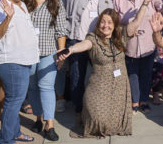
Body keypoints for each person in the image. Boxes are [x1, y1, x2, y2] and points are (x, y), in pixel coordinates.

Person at [59, 0, 114, 122]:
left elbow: (110, 13)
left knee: (101, 75)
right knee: (77, 75)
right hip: (77, 39)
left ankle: (102, 106)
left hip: (99, 41)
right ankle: (79, 109)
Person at [55, 9, 132, 137]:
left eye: (109, 22)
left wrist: (145, 4)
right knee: (98, 121)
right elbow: (84, 45)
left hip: (119, 88)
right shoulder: (93, 38)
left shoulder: (120, 38)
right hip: (99, 88)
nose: (105, 25)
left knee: (113, 125)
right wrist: (71, 49)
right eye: (103, 22)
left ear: (115, 25)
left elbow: (134, 24)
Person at [0, 0, 40, 144]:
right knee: (13, 100)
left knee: (16, 100)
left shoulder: (22, 5)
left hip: (23, 60)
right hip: (10, 61)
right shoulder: (2, 7)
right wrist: (8, 17)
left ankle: (15, 131)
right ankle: (5, 141)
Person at [26, 0, 69, 141]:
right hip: (27, 53)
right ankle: (38, 117)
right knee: (33, 87)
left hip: (48, 52)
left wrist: (61, 54)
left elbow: (61, 31)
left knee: (47, 87)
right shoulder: (25, 2)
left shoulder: (56, 3)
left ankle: (49, 124)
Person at [114, 0, 162, 113]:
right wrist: (125, 30)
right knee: (132, 73)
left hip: (148, 41)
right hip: (129, 43)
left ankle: (144, 100)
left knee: (146, 73)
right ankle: (135, 101)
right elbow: (115, 22)